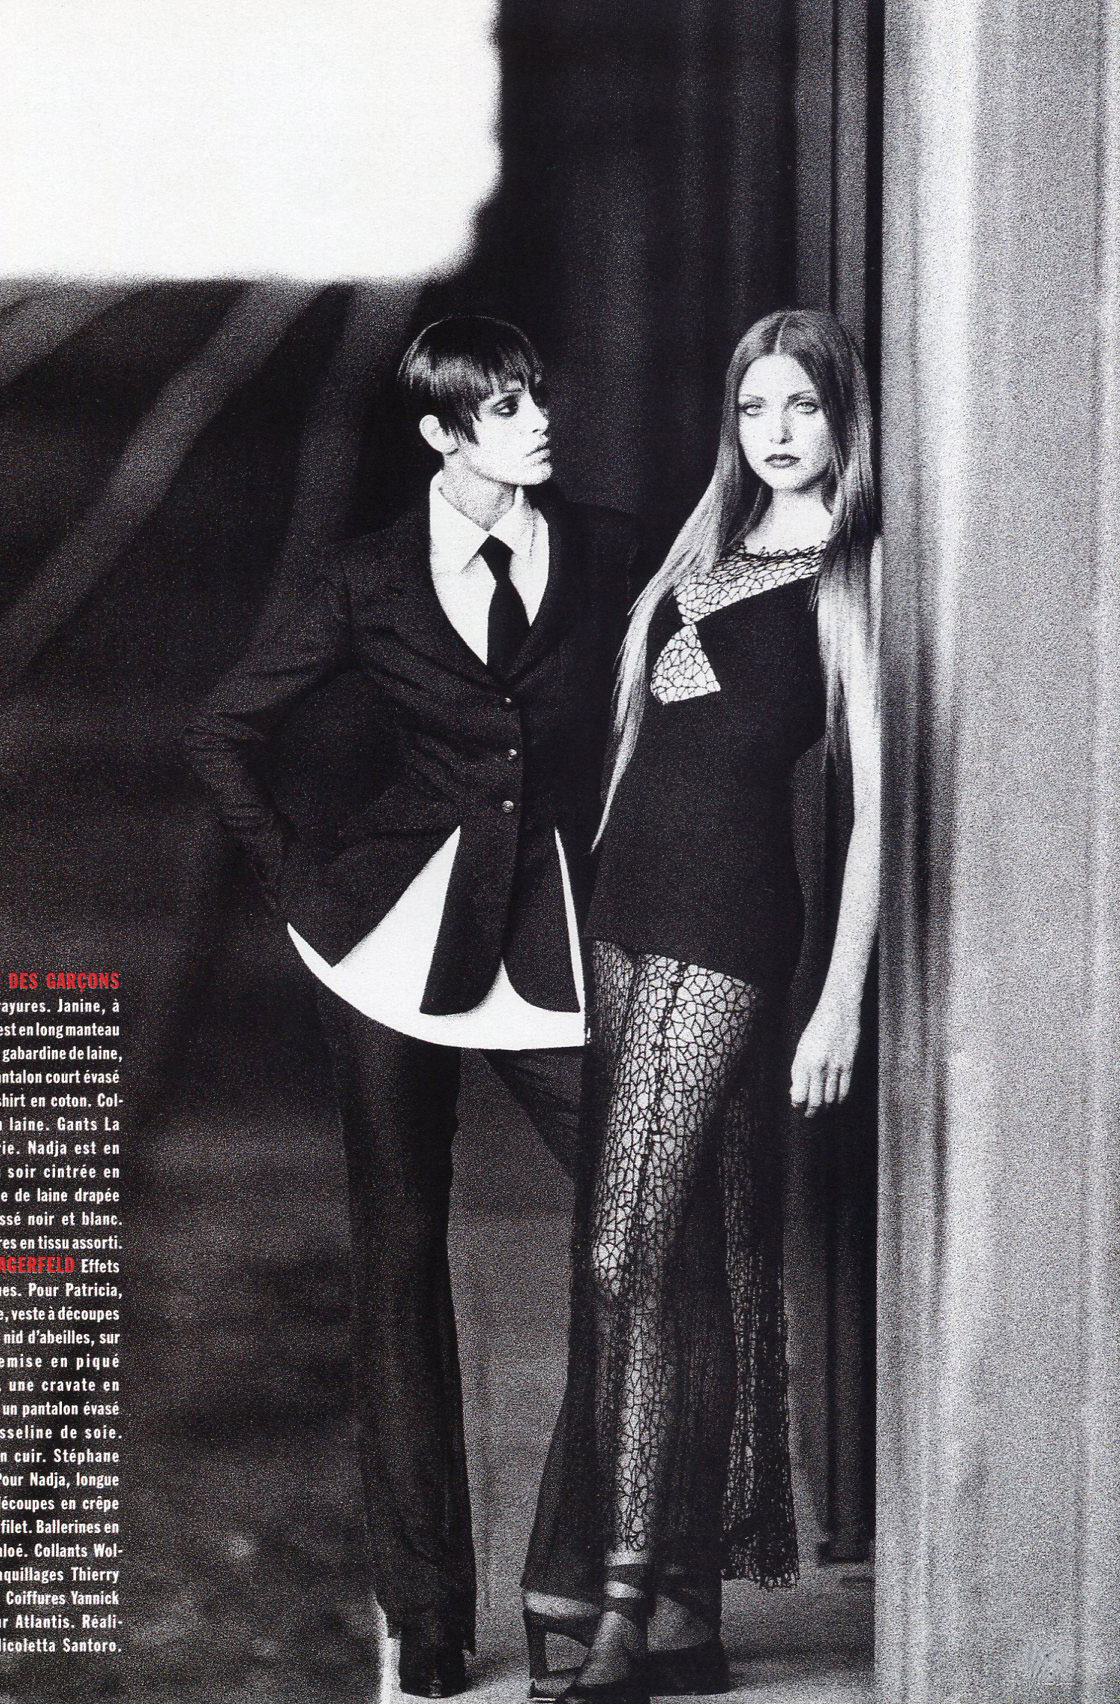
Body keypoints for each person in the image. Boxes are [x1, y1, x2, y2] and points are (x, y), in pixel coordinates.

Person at [183, 315, 636, 1699]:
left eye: (537, 395)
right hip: (391, 945)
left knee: (633, 1235)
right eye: (503, 408)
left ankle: (565, 1582)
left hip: (554, 942)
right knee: (397, 1264)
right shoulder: (366, 577)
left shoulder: (611, 550)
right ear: (442, 436)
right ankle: (424, 1615)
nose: (537, 422)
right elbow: (224, 729)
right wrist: (301, 885)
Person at [520, 308, 881, 1703]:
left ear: (843, 419)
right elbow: (634, 755)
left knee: (623, 1251)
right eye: (754, 407)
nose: (776, 432)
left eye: (802, 406)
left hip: (729, 932)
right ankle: (682, 1618)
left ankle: (622, 1612)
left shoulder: (852, 574)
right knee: (673, 1258)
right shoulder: (703, 550)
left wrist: (837, 1000)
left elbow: (874, 813)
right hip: (626, 915)